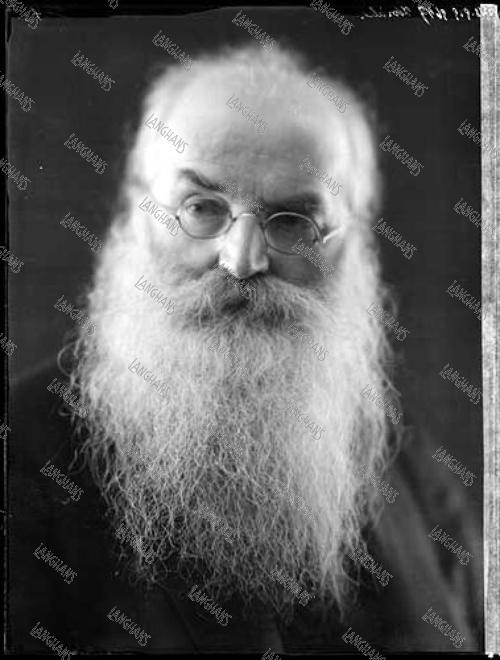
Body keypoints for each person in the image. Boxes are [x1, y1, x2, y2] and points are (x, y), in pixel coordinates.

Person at [10, 43, 482, 654]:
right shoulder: (21, 463)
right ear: (138, 214)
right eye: (201, 208)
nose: (241, 261)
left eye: (294, 222)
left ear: (356, 245)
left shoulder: (412, 472)